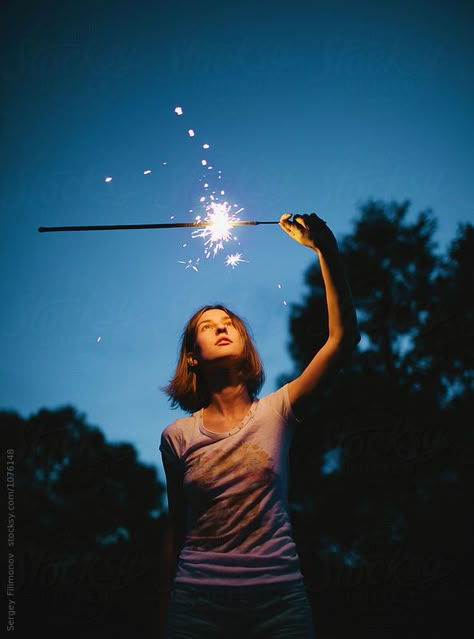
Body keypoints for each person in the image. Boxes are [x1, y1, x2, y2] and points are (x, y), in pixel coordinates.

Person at [158, 212, 360, 639]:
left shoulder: (277, 410)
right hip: (196, 608)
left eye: (228, 323)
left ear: (244, 341)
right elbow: (177, 527)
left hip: (279, 604)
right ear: (192, 355)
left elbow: (342, 341)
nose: (222, 327)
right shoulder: (177, 437)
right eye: (208, 327)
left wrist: (326, 249)